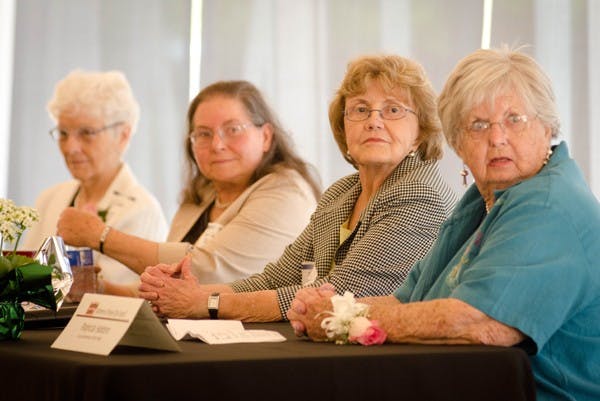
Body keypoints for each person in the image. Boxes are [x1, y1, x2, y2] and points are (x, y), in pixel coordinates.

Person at [287, 47, 600, 401]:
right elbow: (409, 300)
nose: (497, 137)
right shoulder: (482, 202)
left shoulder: (549, 205)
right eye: (478, 125)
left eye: (515, 119)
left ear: (548, 128)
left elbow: (480, 322)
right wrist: (339, 311)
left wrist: (338, 323)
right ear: (457, 143)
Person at [138, 54, 458, 321]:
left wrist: (203, 304)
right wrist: (194, 294)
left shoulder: (420, 193)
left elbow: (342, 292)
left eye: (393, 110)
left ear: (419, 132)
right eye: (360, 109)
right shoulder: (341, 193)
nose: (374, 121)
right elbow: (278, 277)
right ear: (343, 127)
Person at [56, 80, 320, 295]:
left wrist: (100, 236)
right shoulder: (202, 195)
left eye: (233, 129)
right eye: (203, 134)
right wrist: (99, 289)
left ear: (265, 136)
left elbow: (208, 271)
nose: (217, 144)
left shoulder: (287, 192)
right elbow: (164, 289)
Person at [23, 70, 168, 291]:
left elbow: (112, 304)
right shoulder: (50, 198)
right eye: (63, 133)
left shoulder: (141, 211)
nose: (70, 147)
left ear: (123, 135)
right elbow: (23, 277)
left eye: (87, 133)